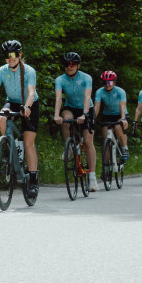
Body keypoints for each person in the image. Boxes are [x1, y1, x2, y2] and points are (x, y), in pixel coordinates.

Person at [0, 40, 39, 200]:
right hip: (12, 101)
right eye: (7, 55)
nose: (10, 58)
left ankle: (33, 181)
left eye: (14, 55)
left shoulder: (28, 71)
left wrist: (27, 107)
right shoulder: (0, 71)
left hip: (30, 103)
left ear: (20, 55)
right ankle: (7, 147)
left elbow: (31, 92)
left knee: (28, 143)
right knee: (2, 116)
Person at [52, 51, 96, 192]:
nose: (69, 67)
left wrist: (84, 114)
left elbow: (87, 95)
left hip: (86, 108)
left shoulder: (86, 78)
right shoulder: (60, 79)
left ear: (78, 65)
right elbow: (59, 98)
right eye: (66, 65)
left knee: (88, 142)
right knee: (65, 118)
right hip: (71, 107)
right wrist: (56, 114)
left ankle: (93, 177)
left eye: (72, 64)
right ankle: (70, 147)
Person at [92, 70, 129, 170]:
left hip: (120, 114)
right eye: (104, 82)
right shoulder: (99, 92)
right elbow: (97, 106)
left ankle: (124, 148)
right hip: (107, 115)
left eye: (109, 82)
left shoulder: (120, 91)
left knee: (118, 128)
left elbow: (122, 105)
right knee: (106, 140)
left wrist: (123, 118)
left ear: (114, 82)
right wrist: (93, 118)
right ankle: (105, 167)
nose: (107, 85)